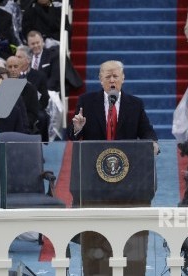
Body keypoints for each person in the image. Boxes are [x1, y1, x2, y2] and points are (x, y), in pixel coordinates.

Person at [69, 60, 158, 276]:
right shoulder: (86, 102)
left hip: (128, 184)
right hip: (94, 183)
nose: (111, 80)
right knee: (96, 237)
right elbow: (72, 137)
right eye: (107, 76)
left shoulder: (135, 104)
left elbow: (147, 132)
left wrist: (152, 144)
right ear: (100, 80)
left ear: (122, 79)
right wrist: (78, 129)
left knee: (129, 237)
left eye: (115, 76)